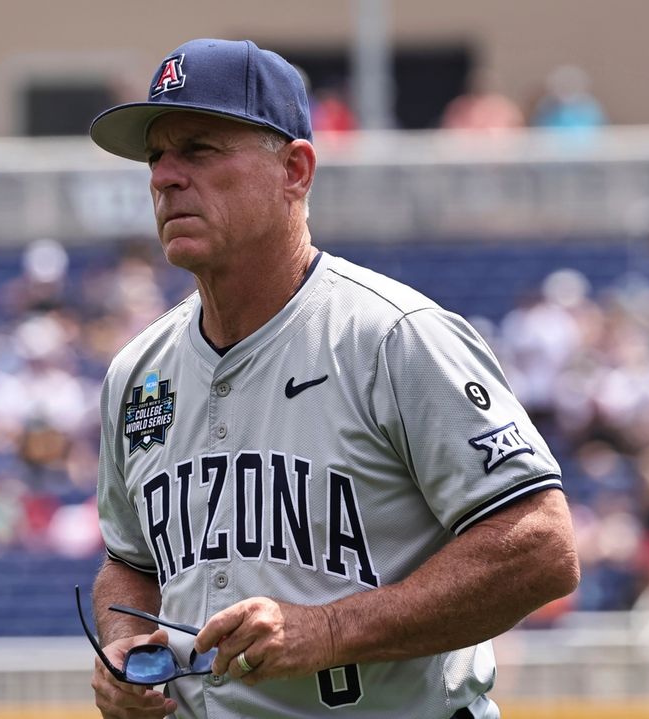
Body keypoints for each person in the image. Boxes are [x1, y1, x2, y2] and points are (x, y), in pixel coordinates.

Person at [84, 38, 580, 719]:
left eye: (198, 149)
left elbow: (541, 547)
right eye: (156, 157)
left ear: (295, 170)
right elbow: (129, 563)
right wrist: (124, 643)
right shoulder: (138, 373)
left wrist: (330, 630)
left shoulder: (393, 336)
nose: (165, 177)